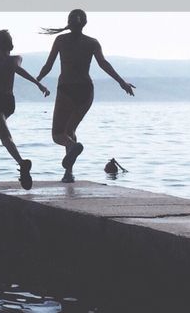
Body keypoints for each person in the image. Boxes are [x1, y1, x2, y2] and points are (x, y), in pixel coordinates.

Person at [36, 10, 135, 183]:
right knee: (70, 131)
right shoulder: (92, 43)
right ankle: (69, 174)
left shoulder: (60, 40)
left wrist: (37, 80)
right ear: (85, 23)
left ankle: (71, 158)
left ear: (68, 22)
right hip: (85, 90)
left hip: (66, 89)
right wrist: (121, 82)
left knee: (59, 135)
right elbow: (103, 64)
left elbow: (48, 65)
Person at [0, 29, 50, 189]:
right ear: (11, 45)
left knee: (5, 135)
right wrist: (39, 84)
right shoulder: (16, 58)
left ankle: (22, 164)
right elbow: (20, 71)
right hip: (9, 102)